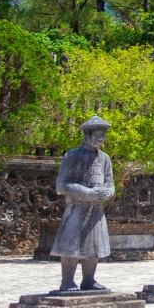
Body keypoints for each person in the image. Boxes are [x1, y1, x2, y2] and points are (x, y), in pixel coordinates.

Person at [52, 115, 115, 292]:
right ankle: (67, 280)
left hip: (96, 209)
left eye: (103, 136)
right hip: (77, 208)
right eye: (98, 135)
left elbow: (110, 181)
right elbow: (62, 185)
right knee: (72, 245)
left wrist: (108, 191)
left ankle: (89, 279)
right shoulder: (72, 156)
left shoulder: (104, 159)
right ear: (87, 135)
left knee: (94, 245)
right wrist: (88, 193)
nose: (101, 139)